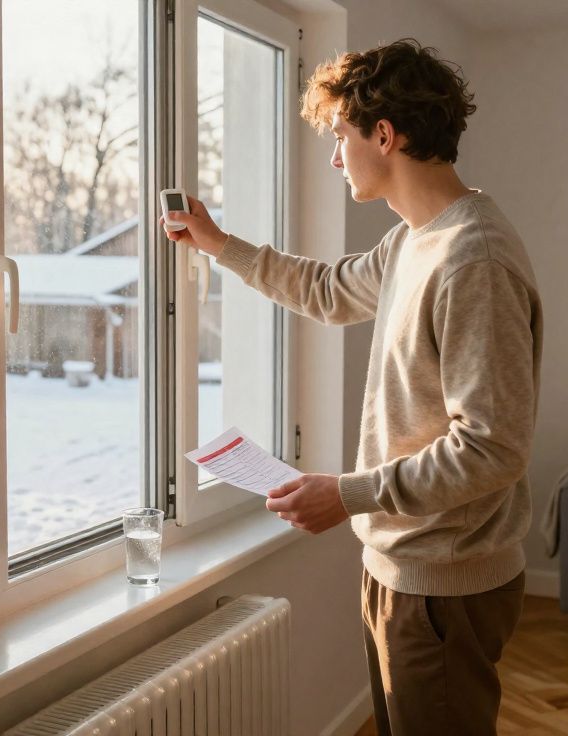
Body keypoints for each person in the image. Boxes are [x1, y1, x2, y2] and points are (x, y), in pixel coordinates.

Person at [161, 38, 543, 736]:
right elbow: (328, 290)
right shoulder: (415, 239)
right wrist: (219, 245)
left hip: (445, 583)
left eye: (341, 137)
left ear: (385, 135)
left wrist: (347, 493)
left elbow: (493, 448)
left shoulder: (473, 259)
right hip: (401, 565)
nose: (336, 157)